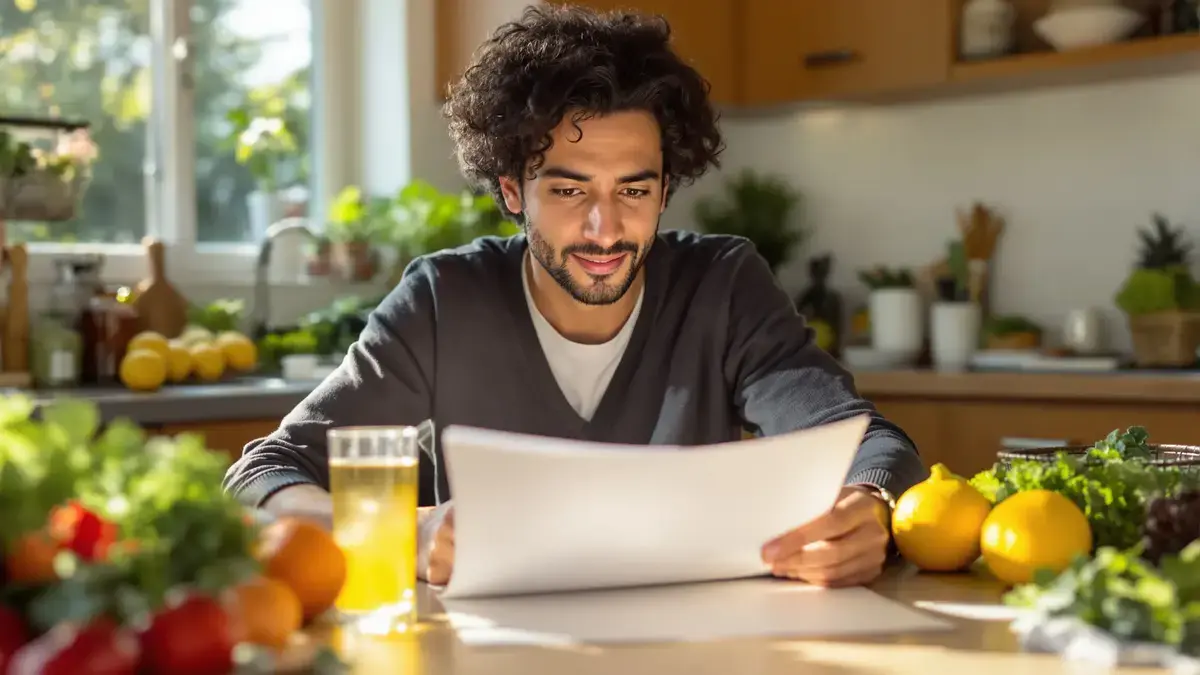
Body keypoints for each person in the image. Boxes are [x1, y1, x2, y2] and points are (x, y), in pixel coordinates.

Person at [223, 4, 927, 590]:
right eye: (568, 190)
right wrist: (406, 531)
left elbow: (869, 440)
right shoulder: (445, 301)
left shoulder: (723, 286)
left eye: (634, 189)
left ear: (664, 189)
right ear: (509, 190)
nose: (605, 228)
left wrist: (871, 505)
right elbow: (263, 472)